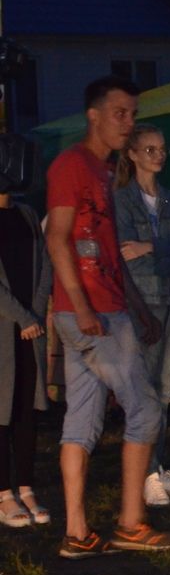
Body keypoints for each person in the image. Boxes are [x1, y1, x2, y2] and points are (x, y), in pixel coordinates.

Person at [45, 76, 170, 557]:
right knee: (145, 408)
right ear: (95, 115)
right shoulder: (72, 165)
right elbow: (58, 238)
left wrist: (135, 305)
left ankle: (76, 533)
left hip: (107, 305)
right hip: (92, 312)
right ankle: (132, 523)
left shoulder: (106, 174)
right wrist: (84, 306)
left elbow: (108, 253)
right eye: (120, 114)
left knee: (81, 423)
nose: (127, 123)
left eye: (132, 113)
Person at [113, 124, 170, 507]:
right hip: (141, 302)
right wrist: (166, 253)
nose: (158, 156)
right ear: (132, 154)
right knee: (143, 388)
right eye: (149, 150)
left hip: (169, 298)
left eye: (162, 149)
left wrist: (149, 247)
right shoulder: (122, 201)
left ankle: (155, 464)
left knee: (163, 388)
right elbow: (122, 255)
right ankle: (145, 472)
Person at [0, 168, 52, 528]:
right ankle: (4, 495)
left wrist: (35, 312)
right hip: (6, 326)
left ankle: (26, 486)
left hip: (30, 328)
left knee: (25, 407)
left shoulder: (27, 214)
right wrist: (21, 315)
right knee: (0, 408)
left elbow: (45, 263)